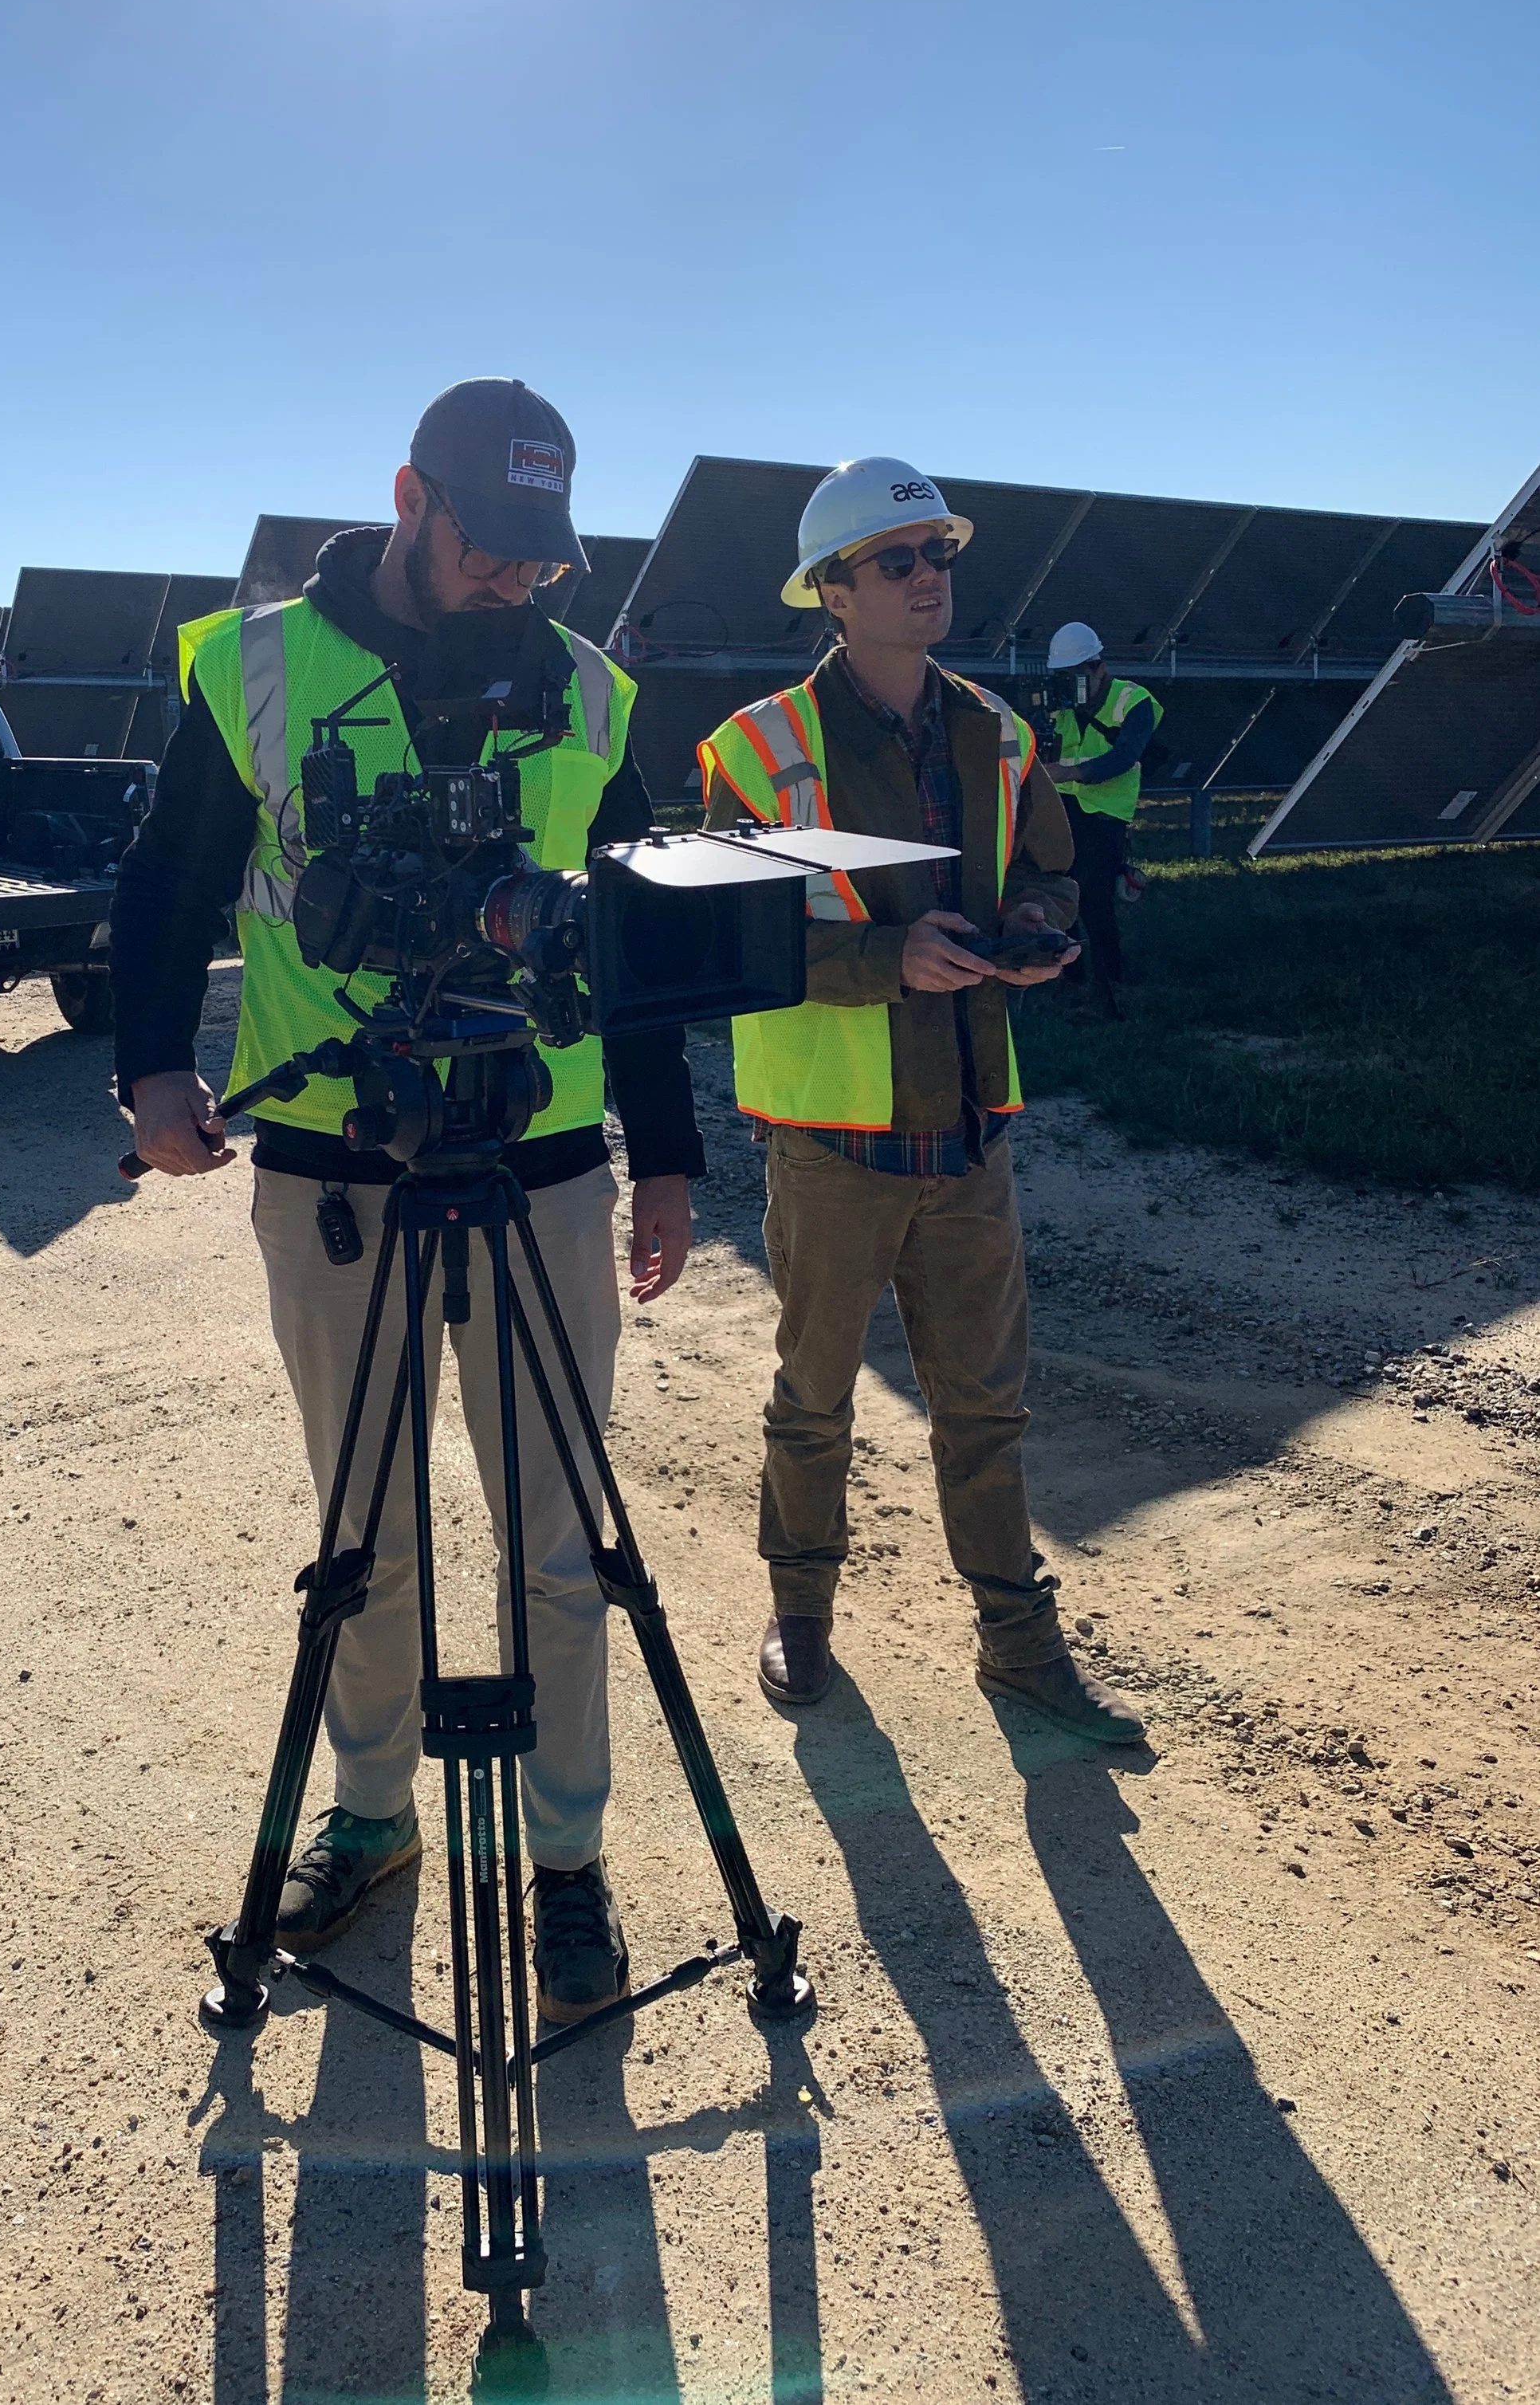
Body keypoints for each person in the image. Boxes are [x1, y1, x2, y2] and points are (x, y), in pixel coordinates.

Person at [110, 379, 705, 2025]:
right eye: (490, 547)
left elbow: (636, 936)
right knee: (358, 1525)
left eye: (541, 556)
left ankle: (564, 1860)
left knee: (556, 1540)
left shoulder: (586, 692)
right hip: (332, 1161)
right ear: (407, 498)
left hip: (538, 1161)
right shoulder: (255, 666)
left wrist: (664, 1155)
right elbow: (167, 874)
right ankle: (373, 1816)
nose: (514, 581)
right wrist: (151, 1063)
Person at [698, 458, 1144, 1744]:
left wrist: (1039, 929)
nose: (928, 577)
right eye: (897, 561)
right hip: (833, 1142)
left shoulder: (999, 735)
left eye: (938, 554)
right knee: (814, 1396)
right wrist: (878, 961)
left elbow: (1053, 869)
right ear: (832, 592)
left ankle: (1017, 1639)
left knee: (986, 1403)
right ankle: (800, 1613)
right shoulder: (760, 750)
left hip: (968, 1131)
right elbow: (734, 939)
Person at [1041, 621, 1163, 1014]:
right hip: (1064, 807)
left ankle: (1112, 979)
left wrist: (1070, 772)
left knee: (1095, 897)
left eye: (1076, 676)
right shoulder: (1061, 704)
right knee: (1061, 891)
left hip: (1106, 812)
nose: (1071, 686)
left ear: (1098, 667)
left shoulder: (1134, 700)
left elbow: (1125, 756)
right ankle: (1071, 976)